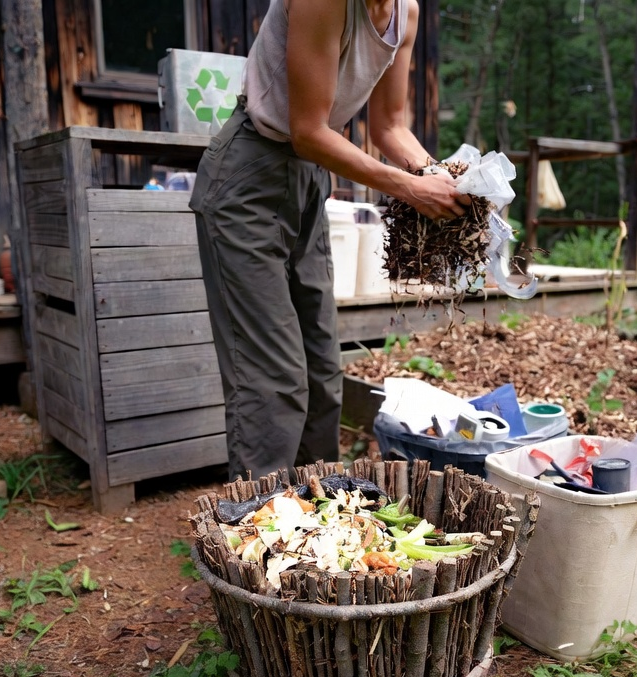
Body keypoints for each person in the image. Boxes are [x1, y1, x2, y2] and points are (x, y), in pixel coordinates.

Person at [190, 0, 469, 481]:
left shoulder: (407, 14)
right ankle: (262, 536)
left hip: (309, 183)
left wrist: (440, 177)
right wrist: (409, 187)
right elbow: (309, 131)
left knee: (322, 372)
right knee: (272, 378)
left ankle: (319, 519)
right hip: (250, 176)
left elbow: (390, 126)